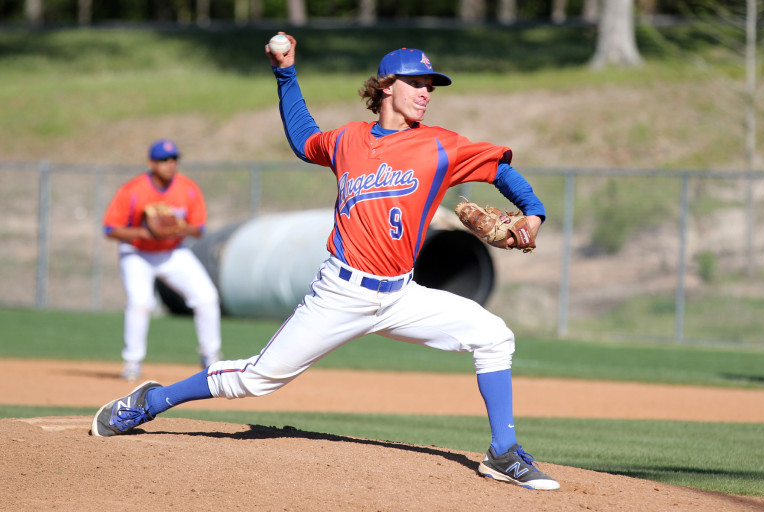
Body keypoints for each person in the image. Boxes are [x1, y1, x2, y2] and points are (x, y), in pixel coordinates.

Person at [91, 35, 559, 491]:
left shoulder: (440, 145)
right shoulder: (347, 142)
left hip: (400, 294)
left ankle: (504, 452)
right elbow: (302, 138)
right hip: (341, 292)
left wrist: (532, 212)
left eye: (431, 86)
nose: (425, 93)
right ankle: (150, 400)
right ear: (387, 85)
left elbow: (498, 167)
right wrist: (285, 73)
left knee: (494, 336)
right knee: (256, 380)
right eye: (417, 82)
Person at [102, 139, 222, 381]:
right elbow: (110, 229)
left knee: (207, 297)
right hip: (137, 253)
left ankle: (211, 357)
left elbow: (199, 229)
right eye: (163, 160)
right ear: (151, 163)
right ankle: (132, 362)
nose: (170, 164)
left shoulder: (187, 189)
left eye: (174, 159)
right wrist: (144, 233)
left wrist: (177, 227)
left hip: (172, 251)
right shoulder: (133, 190)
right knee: (140, 302)